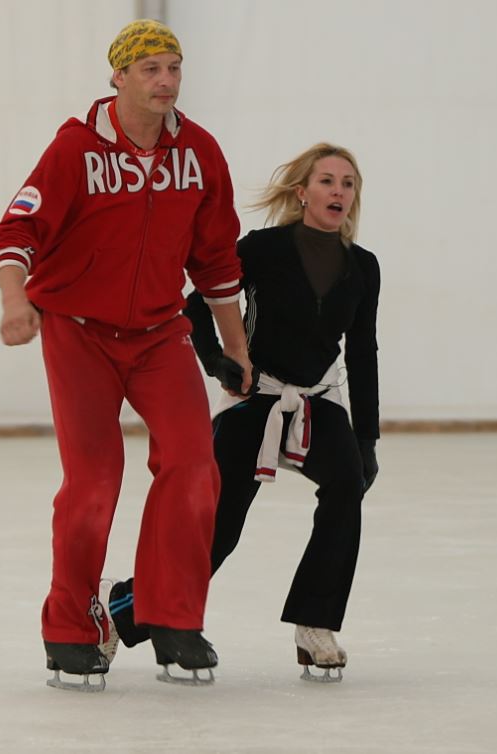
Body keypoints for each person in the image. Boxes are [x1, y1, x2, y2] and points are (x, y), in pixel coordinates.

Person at [0, 18, 253, 691]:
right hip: (78, 332)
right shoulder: (75, 150)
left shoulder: (200, 152)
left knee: (194, 464)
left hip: (160, 333)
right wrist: (15, 302)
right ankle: (70, 628)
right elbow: (14, 232)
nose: (165, 81)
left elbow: (217, 262)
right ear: (119, 76)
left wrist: (236, 349)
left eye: (174, 68)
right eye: (150, 69)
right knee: (94, 480)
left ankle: (172, 619)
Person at [103, 143, 381, 682]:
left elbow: (363, 352)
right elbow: (198, 302)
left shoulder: (363, 267)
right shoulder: (262, 248)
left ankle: (315, 623)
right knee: (220, 527)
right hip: (257, 397)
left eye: (348, 184)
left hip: (318, 399)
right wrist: (218, 361)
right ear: (302, 192)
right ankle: (123, 609)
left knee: (347, 485)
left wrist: (365, 438)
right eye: (327, 181)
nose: (339, 192)